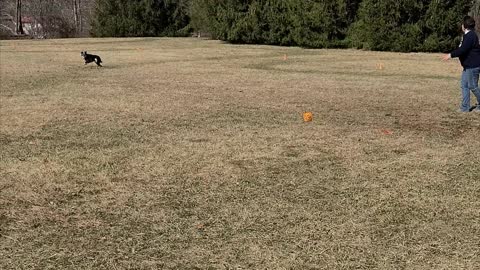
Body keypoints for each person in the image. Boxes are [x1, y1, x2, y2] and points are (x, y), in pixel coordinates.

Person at [442, 16, 480, 113]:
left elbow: (463, 50)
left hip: (473, 66)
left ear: (464, 26)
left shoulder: (471, 36)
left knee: (473, 86)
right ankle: (465, 107)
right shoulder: (467, 35)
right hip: (467, 66)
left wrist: (450, 55)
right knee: (464, 85)